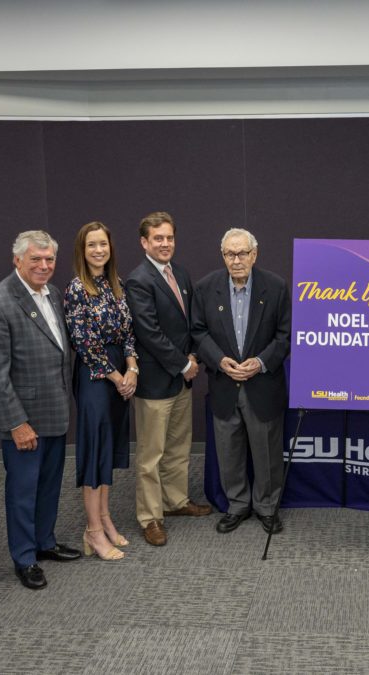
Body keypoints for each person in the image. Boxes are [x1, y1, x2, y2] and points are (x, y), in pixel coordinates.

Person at [0, 230, 80, 590]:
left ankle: (44, 542)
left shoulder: (52, 294)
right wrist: (16, 423)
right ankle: (24, 557)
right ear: (17, 259)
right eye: (36, 259)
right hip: (23, 421)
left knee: (50, 485)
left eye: (49, 259)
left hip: (54, 412)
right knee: (22, 492)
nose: (44, 265)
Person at [190, 228, 291, 535]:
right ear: (223, 256)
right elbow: (197, 332)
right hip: (224, 384)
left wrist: (260, 362)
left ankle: (266, 507)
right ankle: (237, 505)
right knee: (229, 452)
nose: (236, 260)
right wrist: (219, 360)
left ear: (254, 255)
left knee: (267, 454)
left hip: (262, 384)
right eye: (230, 254)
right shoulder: (206, 288)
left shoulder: (275, 287)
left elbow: (285, 335)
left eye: (242, 254)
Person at [124, 211, 211, 548]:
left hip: (180, 380)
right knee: (151, 455)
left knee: (177, 448)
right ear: (144, 242)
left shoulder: (181, 274)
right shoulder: (139, 280)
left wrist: (191, 358)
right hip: (156, 384)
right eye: (157, 238)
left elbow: (188, 325)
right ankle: (150, 517)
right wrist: (182, 364)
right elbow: (148, 332)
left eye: (169, 238)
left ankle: (175, 502)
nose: (165, 244)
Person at [64, 221, 138, 561]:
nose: (98, 250)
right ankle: (92, 530)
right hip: (96, 378)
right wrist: (116, 376)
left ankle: (106, 518)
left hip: (120, 372)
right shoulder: (77, 289)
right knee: (95, 453)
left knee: (108, 450)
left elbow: (128, 334)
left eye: (103, 245)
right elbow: (84, 343)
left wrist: (132, 368)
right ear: (82, 250)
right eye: (92, 245)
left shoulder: (116, 285)